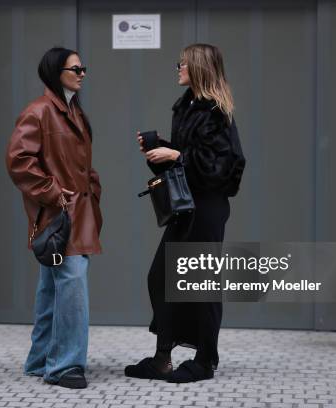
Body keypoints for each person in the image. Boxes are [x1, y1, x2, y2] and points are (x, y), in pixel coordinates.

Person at [125, 43, 246, 383]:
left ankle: (204, 361)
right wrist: (160, 148)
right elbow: (191, 155)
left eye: (182, 63)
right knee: (160, 278)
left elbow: (226, 166)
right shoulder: (188, 106)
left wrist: (176, 155)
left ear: (198, 68)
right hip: (187, 206)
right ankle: (162, 359)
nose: (177, 67)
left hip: (207, 208)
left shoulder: (216, 112)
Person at [6, 47, 102, 389]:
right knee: (72, 284)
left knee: (52, 286)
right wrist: (53, 193)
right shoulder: (38, 112)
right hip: (58, 215)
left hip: (78, 212)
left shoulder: (73, 111)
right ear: (54, 71)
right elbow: (19, 161)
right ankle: (63, 368)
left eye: (83, 68)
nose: (82, 73)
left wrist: (92, 185)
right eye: (75, 68)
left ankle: (39, 360)